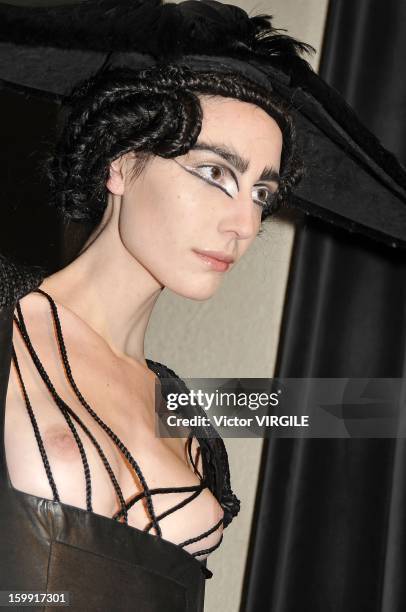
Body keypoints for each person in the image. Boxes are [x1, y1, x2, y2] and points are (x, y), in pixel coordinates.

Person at [1, 1, 406, 611]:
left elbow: (353, 408)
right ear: (121, 161)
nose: (245, 222)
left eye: (262, 192)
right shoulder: (11, 322)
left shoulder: (186, 405)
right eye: (215, 172)